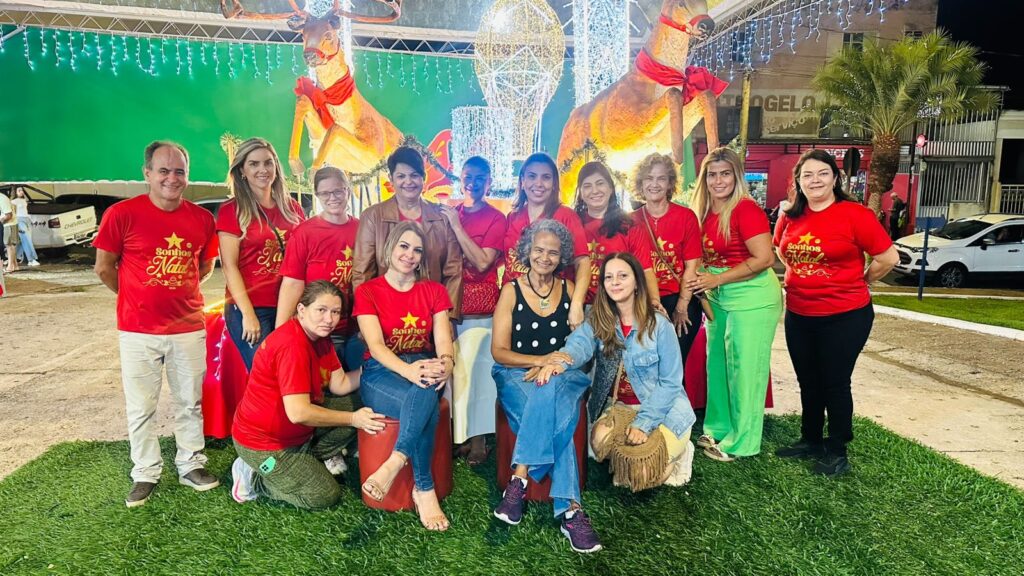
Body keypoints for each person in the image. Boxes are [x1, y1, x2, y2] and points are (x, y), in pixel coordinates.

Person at [93, 141, 221, 507]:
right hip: (137, 331)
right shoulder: (121, 214)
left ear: (187, 176)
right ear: (147, 173)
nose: (171, 178)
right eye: (163, 171)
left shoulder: (202, 219)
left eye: (179, 171)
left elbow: (205, 266)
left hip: (188, 328)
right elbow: (104, 268)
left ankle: (191, 464)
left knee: (190, 401)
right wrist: (135, 298)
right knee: (141, 406)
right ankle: (145, 472)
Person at [773, 150, 898, 476]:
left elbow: (888, 258)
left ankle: (837, 449)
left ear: (835, 178)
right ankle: (810, 439)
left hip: (845, 315)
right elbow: (780, 249)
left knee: (834, 382)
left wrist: (862, 279)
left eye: (822, 173)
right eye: (807, 175)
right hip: (800, 313)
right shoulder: (791, 215)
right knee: (808, 380)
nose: (814, 180)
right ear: (798, 181)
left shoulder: (854, 215)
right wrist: (801, 274)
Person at [541, 253, 696, 493]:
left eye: (623, 276)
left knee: (640, 475)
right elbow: (579, 344)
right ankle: (636, 458)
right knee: (598, 443)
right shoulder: (600, 319)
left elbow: (670, 383)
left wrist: (644, 424)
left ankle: (680, 454)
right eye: (609, 277)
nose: (615, 282)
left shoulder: (659, 325)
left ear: (637, 283)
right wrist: (561, 361)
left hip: (661, 410)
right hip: (619, 407)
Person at [490, 219, 601, 554]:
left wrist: (553, 365)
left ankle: (519, 478)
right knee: (549, 406)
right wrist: (540, 361)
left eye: (553, 252)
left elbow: (581, 345)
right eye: (538, 250)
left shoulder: (570, 290)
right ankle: (571, 511)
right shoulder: (511, 291)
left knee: (548, 391)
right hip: (516, 372)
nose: (545, 257)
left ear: (561, 256)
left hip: (563, 374)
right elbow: (499, 351)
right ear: (527, 251)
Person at [230, 281, 386, 508]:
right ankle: (254, 477)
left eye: (335, 312)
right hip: (266, 444)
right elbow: (299, 413)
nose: (329, 319)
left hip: (296, 432)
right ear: (301, 310)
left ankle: (307, 460)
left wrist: (376, 367)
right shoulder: (292, 346)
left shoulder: (319, 336)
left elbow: (340, 384)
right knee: (324, 495)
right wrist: (353, 419)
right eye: (321, 310)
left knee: (363, 402)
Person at [353, 222, 455, 532]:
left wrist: (447, 364)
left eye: (417, 250)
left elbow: (443, 341)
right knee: (424, 398)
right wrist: (409, 371)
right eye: (404, 246)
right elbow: (376, 347)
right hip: (381, 372)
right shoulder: (368, 291)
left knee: (424, 385)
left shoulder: (434, 291)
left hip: (423, 365)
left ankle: (395, 462)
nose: (410, 255)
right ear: (390, 248)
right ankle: (424, 488)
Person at [687, 147, 782, 462]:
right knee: (717, 365)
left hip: (752, 298)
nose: (718, 181)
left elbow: (764, 258)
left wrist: (716, 279)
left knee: (745, 370)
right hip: (718, 297)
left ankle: (742, 441)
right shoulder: (702, 211)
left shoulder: (745, 209)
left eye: (725, 174)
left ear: (736, 176)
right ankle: (718, 427)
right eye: (712, 174)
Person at [438, 156, 507, 466]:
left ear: (489, 182)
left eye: (480, 178)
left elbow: (482, 262)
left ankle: (479, 439)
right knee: (454, 372)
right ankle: (459, 435)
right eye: (468, 176)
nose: (473, 182)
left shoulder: (496, 218)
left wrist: (455, 225)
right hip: (449, 307)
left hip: (482, 309)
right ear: (460, 178)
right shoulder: (449, 213)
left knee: (480, 374)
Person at [218, 137, 305, 370]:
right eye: (254, 164)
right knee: (266, 373)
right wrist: (248, 314)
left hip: (289, 304)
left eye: (268, 162)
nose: (262, 169)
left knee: (291, 371)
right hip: (252, 307)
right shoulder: (232, 210)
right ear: (242, 171)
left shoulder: (293, 209)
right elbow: (229, 266)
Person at [352, 145, 463, 319]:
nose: (408, 182)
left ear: (423, 178)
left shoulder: (442, 217)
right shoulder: (373, 216)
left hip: (433, 315)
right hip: (385, 314)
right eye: (401, 176)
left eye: (414, 175)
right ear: (391, 179)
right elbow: (362, 273)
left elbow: (453, 271)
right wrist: (368, 318)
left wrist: (447, 318)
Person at [276, 166, 360, 370]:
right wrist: (281, 334)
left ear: (348, 190)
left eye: (338, 191)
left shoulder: (362, 228)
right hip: (319, 330)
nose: (333, 198)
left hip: (356, 328)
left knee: (357, 380)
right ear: (317, 195)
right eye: (325, 193)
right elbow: (292, 284)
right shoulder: (304, 233)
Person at [502, 152, 590, 329]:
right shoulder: (512, 217)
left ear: (554, 183)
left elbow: (583, 263)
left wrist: (576, 304)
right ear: (522, 181)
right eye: (532, 176)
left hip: (553, 306)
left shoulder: (566, 216)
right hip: (513, 304)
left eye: (546, 177)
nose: (538, 183)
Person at [631, 153, 705, 364]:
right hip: (643, 301)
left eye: (661, 178)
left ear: (670, 183)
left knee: (674, 365)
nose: (654, 184)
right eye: (649, 178)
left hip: (679, 298)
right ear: (640, 183)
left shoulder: (686, 217)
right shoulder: (630, 221)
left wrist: (682, 306)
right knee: (646, 364)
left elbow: (692, 266)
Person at [572, 161, 660, 309]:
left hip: (619, 306)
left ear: (611, 188)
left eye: (600, 183)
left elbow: (645, 269)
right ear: (580, 192)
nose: (594, 191)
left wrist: (655, 301)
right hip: (579, 306)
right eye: (587, 186)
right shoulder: (571, 223)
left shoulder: (630, 226)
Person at [12, 187, 40, 267]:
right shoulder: (13, 201)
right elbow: (13, 213)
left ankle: (15, 257)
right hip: (19, 220)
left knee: (25, 240)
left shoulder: (24, 200)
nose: (21, 192)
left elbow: (26, 211)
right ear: (15, 192)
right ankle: (31, 259)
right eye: (19, 190)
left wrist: (31, 219)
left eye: (22, 190)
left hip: (27, 220)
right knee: (27, 240)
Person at [1, 190, 19, 274]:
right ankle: (15, 265)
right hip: (11, 224)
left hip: (9, 224)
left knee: (9, 245)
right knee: (11, 245)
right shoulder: (2, 197)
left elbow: (8, 215)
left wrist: (1, 220)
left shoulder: (2, 199)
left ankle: (10, 266)